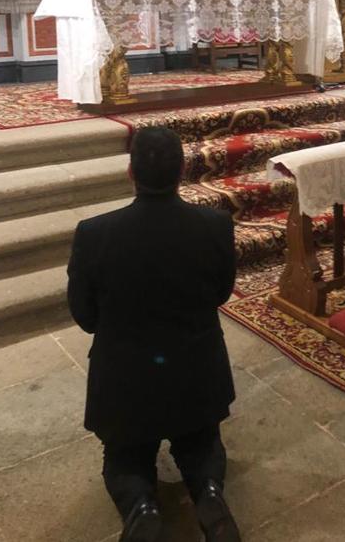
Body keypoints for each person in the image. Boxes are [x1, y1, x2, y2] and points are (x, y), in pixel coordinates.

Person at [67, 127, 240, 542]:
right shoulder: (215, 225)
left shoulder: (94, 234)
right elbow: (221, 292)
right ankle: (210, 491)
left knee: (125, 456)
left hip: (125, 376)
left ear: (130, 172)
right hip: (197, 369)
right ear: (182, 170)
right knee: (201, 443)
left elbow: (84, 315)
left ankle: (140, 505)